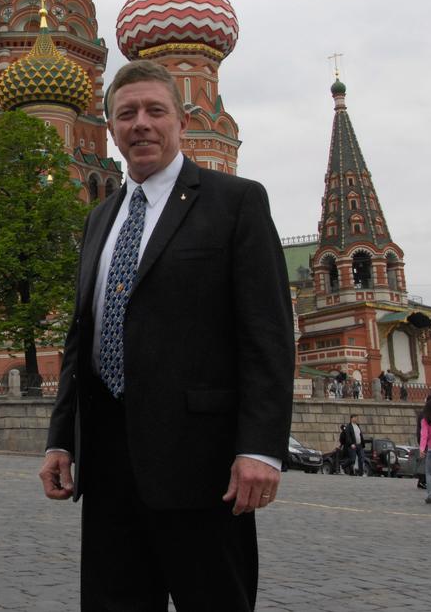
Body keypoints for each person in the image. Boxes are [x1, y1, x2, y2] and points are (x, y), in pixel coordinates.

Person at [39, 61, 295, 611]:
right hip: (108, 462)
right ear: (109, 128)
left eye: (156, 110)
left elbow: (267, 335)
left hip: (201, 466)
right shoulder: (99, 218)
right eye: (127, 114)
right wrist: (62, 438)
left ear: (180, 121)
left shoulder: (235, 202)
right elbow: (81, 336)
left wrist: (260, 449)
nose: (142, 124)